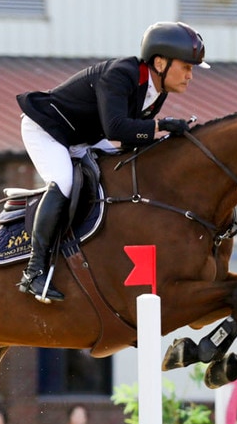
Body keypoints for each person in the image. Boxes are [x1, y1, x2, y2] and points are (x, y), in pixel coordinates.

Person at [14, 21, 208, 303]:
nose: (190, 76)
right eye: (187, 67)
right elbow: (117, 129)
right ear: (160, 62)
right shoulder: (121, 74)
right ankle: (34, 271)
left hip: (84, 138)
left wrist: (167, 140)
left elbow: (130, 140)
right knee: (64, 183)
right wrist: (161, 125)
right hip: (48, 130)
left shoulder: (156, 91)